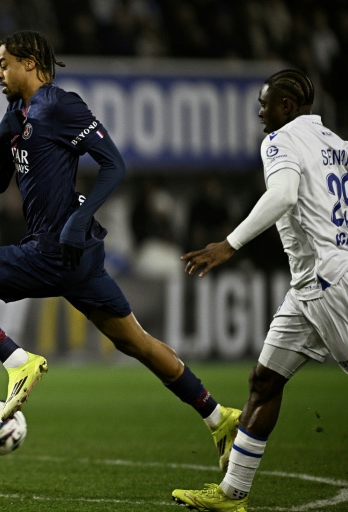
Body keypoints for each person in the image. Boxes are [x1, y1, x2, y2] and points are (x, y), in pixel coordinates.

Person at [0, 29, 239, 467]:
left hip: (52, 250)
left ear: (29, 62)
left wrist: (78, 219)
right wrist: (4, 130)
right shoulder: (25, 111)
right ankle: (219, 417)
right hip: (76, 258)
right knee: (139, 343)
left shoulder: (59, 104)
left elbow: (114, 164)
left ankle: (16, 360)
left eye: (3, 63)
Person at [172, 69, 348, 512]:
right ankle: (232, 495)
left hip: (330, 283)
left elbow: (284, 195)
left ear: (286, 106)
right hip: (310, 285)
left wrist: (228, 244)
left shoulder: (280, 141)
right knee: (264, 382)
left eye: (265, 103)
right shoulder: (336, 144)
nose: (259, 112)